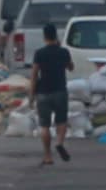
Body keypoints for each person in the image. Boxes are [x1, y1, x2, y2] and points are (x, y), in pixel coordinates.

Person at [30, 22, 75, 165]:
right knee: (61, 121)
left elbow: (34, 75)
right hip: (60, 91)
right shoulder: (63, 52)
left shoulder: (39, 53)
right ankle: (60, 142)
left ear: (44, 36)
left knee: (45, 125)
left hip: (43, 92)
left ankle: (48, 156)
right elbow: (71, 67)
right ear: (56, 35)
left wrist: (31, 95)